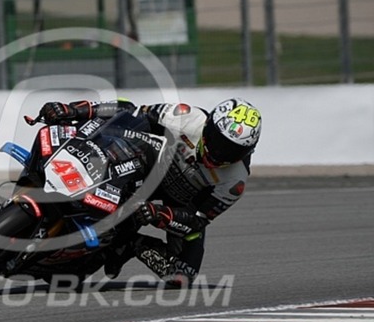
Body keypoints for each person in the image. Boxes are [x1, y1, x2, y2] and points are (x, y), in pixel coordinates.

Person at [37, 97, 262, 286]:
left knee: (181, 276)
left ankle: (132, 243)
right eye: (218, 141)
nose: (219, 154)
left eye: (232, 151)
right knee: (129, 130)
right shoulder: (185, 117)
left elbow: (198, 220)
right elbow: (129, 110)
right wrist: (76, 110)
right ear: (208, 126)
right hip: (147, 167)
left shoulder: (234, 182)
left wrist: (160, 214)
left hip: (177, 206)